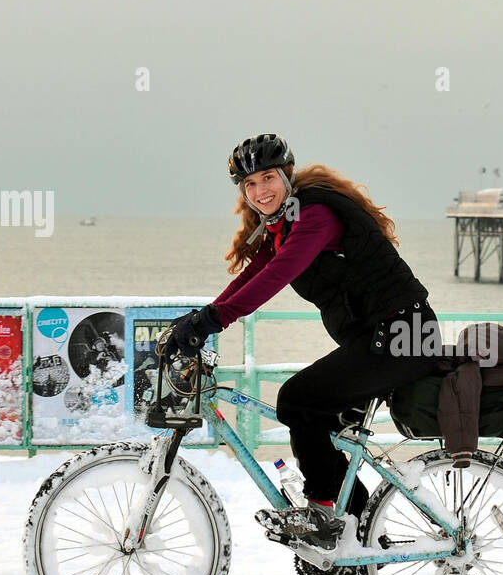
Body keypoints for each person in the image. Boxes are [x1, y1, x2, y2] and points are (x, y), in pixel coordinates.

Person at [169, 134, 439, 550]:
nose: (260, 191)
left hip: (403, 335)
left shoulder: (316, 216)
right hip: (381, 337)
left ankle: (321, 513)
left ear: (286, 176)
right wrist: (201, 316)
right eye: (250, 184)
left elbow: (278, 276)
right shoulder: (284, 224)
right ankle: (356, 537)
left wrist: (214, 321)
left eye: (267, 178)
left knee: (297, 400)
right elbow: (254, 274)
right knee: (321, 426)